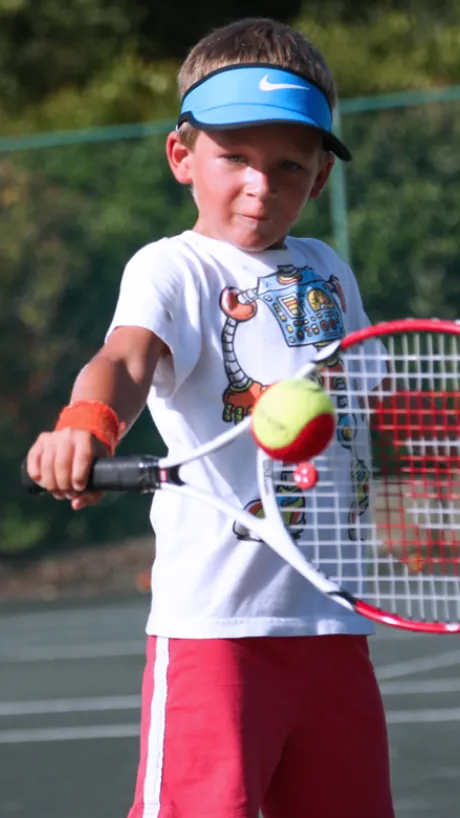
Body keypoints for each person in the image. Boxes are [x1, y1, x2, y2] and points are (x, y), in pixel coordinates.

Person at [26, 17, 394, 818]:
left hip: (334, 625)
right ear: (182, 157)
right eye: (235, 158)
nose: (261, 185)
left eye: (289, 165)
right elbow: (125, 359)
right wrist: (87, 420)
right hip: (218, 634)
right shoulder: (174, 266)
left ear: (321, 178)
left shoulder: (329, 270)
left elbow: (366, 402)